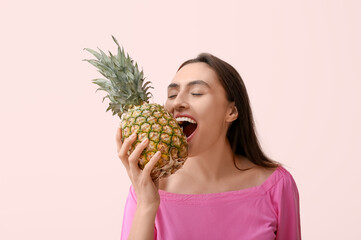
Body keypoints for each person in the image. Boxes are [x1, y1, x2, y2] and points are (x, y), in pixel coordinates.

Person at [116, 53, 301, 240]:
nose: (177, 102)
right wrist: (147, 205)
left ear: (231, 111)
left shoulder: (276, 186)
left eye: (196, 92)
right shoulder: (147, 189)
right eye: (172, 94)